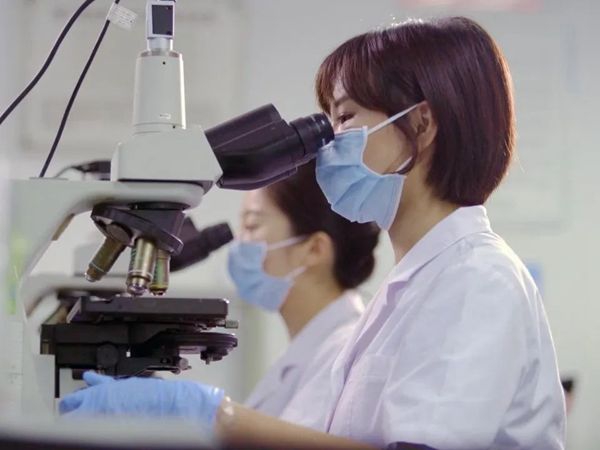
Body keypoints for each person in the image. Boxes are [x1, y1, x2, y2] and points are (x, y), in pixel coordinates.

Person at [60, 16, 566, 450]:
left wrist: (212, 415)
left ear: (422, 124)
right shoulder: (415, 286)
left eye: (344, 118)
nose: (328, 144)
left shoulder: (477, 279)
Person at [227, 160, 379, 423]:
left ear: (314, 249)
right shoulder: (308, 350)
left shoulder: (344, 354)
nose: (239, 242)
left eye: (251, 226)